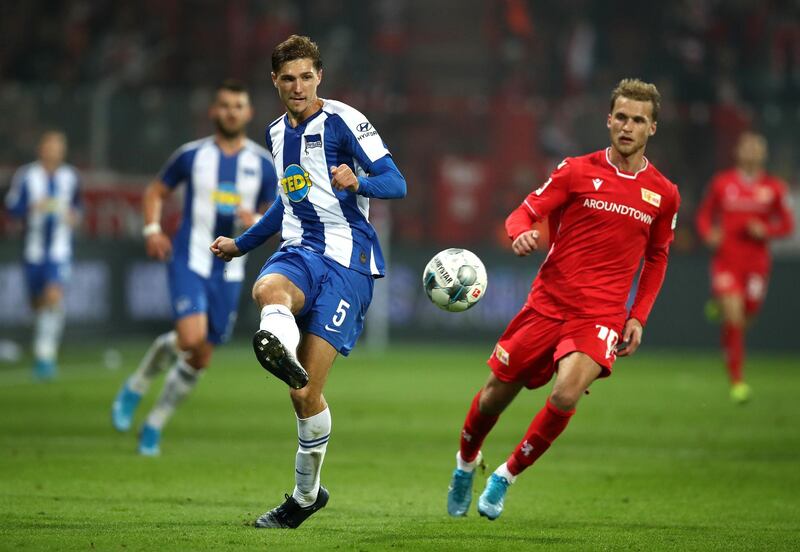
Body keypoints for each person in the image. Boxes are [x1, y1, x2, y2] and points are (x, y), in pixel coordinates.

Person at [445, 78, 680, 521]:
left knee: (567, 394)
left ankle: (505, 475)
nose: (628, 127)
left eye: (639, 121)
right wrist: (519, 234)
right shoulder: (576, 170)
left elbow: (658, 257)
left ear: (653, 128)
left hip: (601, 315)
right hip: (548, 304)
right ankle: (464, 463)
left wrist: (639, 316)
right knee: (495, 396)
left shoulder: (663, 194)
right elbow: (524, 212)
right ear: (609, 120)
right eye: (622, 118)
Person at [210, 35, 406, 529]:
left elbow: (396, 181)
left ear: (319, 76)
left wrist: (358, 182)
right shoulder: (277, 132)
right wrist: (242, 244)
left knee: (304, 396)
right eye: (287, 79)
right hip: (300, 250)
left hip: (348, 263)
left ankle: (304, 496)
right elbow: (287, 200)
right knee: (265, 289)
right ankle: (277, 343)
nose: (297, 87)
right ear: (274, 82)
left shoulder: (345, 121)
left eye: (306, 77)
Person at [111, 79, 276, 455]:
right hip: (190, 258)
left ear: (248, 113)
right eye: (225, 105)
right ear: (214, 111)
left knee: (201, 354)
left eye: (239, 105)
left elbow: (277, 212)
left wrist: (257, 217)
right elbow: (156, 191)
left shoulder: (262, 164)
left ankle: (153, 425)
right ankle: (135, 386)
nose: (231, 111)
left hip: (231, 270)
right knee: (189, 338)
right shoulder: (192, 155)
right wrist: (152, 228)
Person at [695, 132, 794, 403]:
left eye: (756, 147)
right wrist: (708, 233)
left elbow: (787, 225)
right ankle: (737, 381)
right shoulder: (722, 183)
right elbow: (704, 215)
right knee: (736, 319)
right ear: (737, 151)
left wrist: (766, 230)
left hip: (757, 265)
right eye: (747, 146)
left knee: (747, 315)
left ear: (763, 153)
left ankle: (722, 314)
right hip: (727, 261)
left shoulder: (774, 188)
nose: (751, 151)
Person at [4, 130, 81, 380]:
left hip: (60, 250)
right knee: (38, 304)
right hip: (33, 250)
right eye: (51, 145)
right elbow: (11, 207)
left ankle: (45, 356)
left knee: (53, 295)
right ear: (41, 148)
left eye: (59, 146)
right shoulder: (26, 175)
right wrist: (30, 207)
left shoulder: (71, 177)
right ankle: (42, 347)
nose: (55, 151)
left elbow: (78, 206)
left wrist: (74, 216)